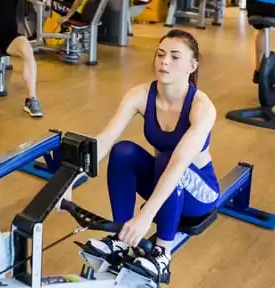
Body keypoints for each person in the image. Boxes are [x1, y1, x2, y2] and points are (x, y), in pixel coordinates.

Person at [76, 29, 220, 284]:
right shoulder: (141, 95)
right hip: (164, 182)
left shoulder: (202, 107)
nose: (165, 61)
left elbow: (178, 164)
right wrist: (69, 180)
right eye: (161, 54)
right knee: (123, 151)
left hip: (200, 194)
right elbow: (105, 139)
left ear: (192, 65)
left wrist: (144, 217)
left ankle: (162, 254)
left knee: (167, 159)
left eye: (175, 57)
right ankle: (120, 240)